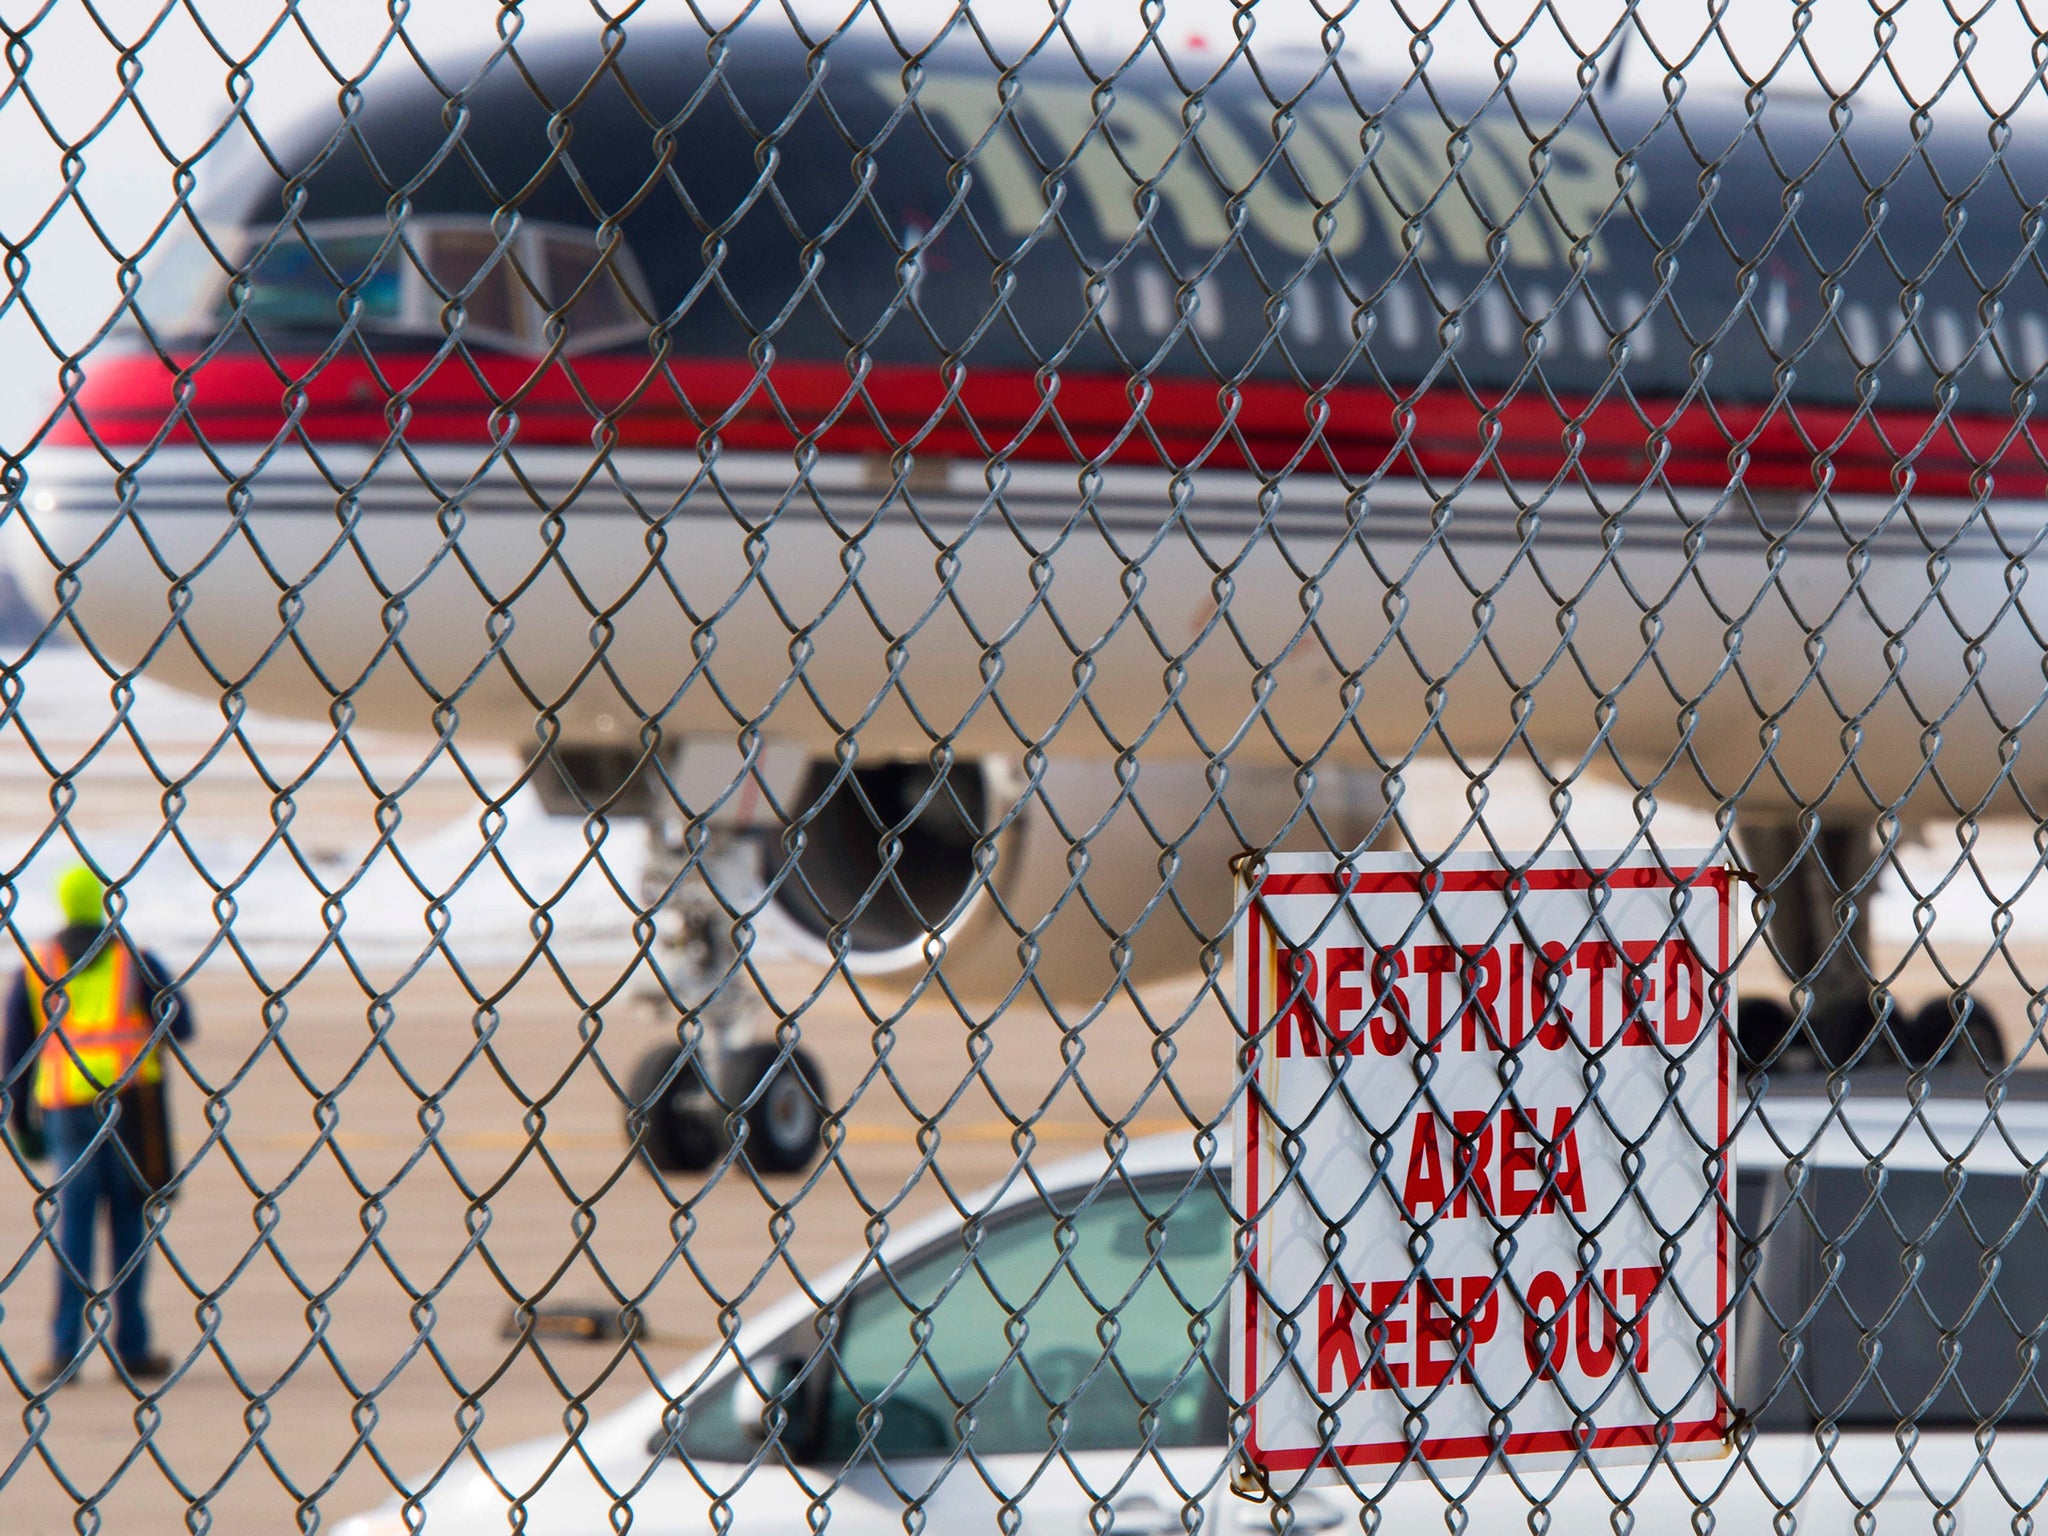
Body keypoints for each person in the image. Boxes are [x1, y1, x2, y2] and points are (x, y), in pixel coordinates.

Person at [2, 864, 195, 1387]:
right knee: (130, 1228)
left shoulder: (39, 965)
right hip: (130, 1111)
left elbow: (15, 1051)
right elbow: (182, 1022)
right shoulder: (133, 960)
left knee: (74, 1232)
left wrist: (20, 1120)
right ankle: (132, 1346)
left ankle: (64, 1350)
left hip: (66, 1112)